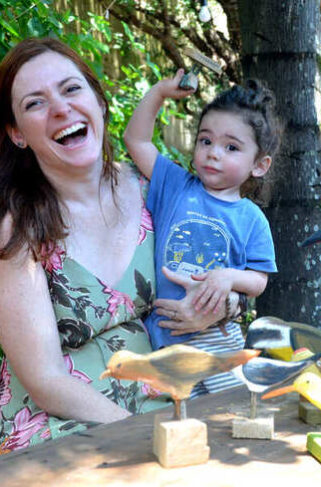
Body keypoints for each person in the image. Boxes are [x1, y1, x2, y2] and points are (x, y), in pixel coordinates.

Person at [0, 38, 209, 452]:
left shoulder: (155, 192)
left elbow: (222, 271)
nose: (61, 108)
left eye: (71, 89)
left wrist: (218, 304)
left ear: (99, 102)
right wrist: (142, 434)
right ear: (17, 134)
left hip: (169, 403)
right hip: (61, 427)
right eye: (34, 103)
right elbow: (45, 381)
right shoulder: (18, 228)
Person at [124, 72, 280, 394]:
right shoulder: (175, 186)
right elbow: (136, 141)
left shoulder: (252, 218)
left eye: (231, 147)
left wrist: (227, 277)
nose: (213, 153)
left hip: (217, 335)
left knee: (229, 412)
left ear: (259, 165)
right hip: (165, 335)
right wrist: (159, 92)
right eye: (205, 141)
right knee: (182, 421)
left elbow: (259, 281)